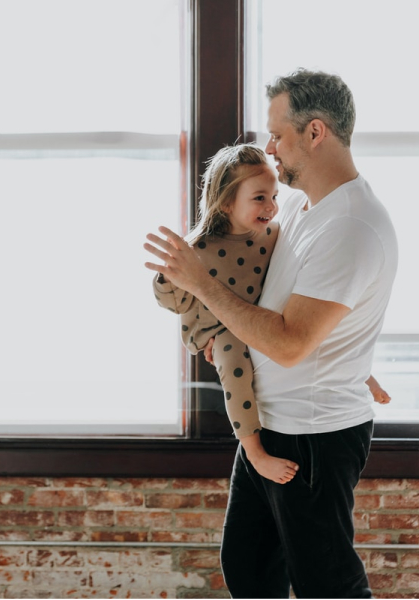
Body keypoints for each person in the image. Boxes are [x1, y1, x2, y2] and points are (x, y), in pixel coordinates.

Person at [143, 68, 398, 598]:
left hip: (313, 436)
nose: (271, 147)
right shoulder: (304, 206)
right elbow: (278, 301)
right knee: (249, 567)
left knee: (326, 585)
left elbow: (288, 342)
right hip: (271, 425)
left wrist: (201, 283)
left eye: (278, 134)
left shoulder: (350, 226)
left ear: (316, 132)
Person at [152, 142, 390, 486]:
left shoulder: (272, 234)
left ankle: (361, 375)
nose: (272, 206)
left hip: (257, 315)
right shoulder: (200, 248)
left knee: (308, 317)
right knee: (234, 361)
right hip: (219, 329)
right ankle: (254, 451)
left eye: (274, 196)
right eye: (260, 198)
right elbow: (172, 301)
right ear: (226, 201)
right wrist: (164, 276)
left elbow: (311, 306)